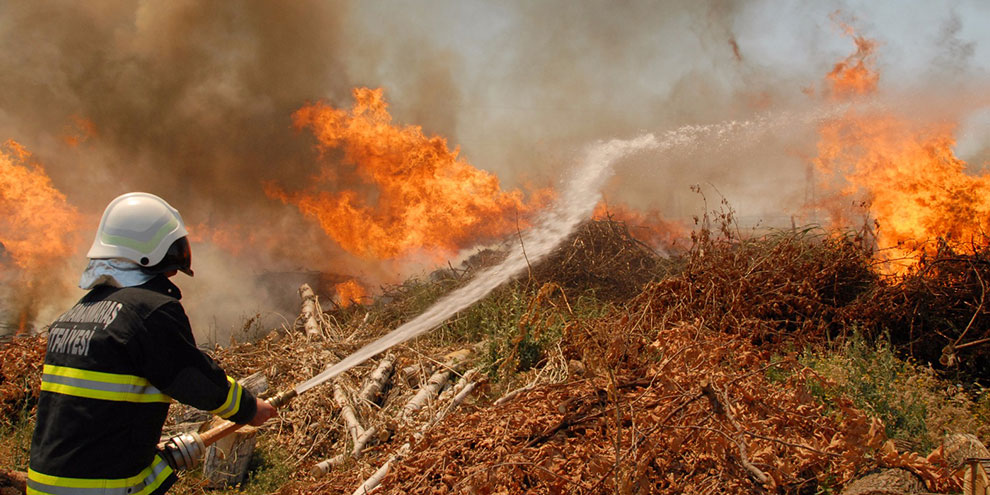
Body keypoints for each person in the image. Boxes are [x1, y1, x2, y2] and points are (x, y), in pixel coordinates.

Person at [28, 192, 277, 495]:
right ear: (151, 250)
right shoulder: (149, 311)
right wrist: (250, 408)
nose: (174, 267)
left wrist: (163, 456)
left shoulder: (76, 314)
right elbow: (194, 377)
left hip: (45, 485)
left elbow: (91, 421)